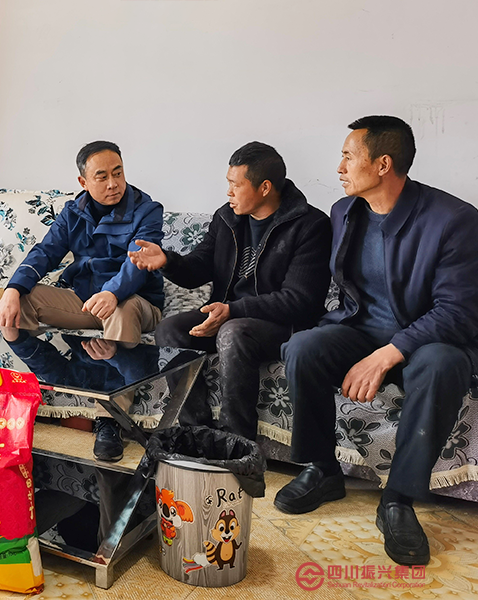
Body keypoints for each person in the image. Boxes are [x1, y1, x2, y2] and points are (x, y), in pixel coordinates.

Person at [274, 116, 478, 566]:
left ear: (383, 164)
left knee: (441, 365)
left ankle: (398, 499)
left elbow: (459, 312)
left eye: (348, 157)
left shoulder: (455, 219)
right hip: (361, 329)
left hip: (430, 339)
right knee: (303, 348)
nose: (339, 167)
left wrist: (388, 354)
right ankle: (322, 470)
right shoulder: (344, 211)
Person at [129, 142, 332, 437]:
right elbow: (198, 268)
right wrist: (167, 261)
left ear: (264, 187)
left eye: (236, 185)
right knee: (170, 330)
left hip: (283, 326)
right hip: (228, 315)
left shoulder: (311, 226)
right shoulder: (227, 217)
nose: (229, 192)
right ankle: (197, 433)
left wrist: (233, 310)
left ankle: (236, 440)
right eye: (228, 183)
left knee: (232, 332)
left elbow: (300, 300)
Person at [0, 141, 165, 461]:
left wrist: (113, 292)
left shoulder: (147, 210)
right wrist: (13, 289)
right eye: (102, 176)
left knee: (122, 309)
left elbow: (138, 263)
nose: (113, 183)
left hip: (136, 302)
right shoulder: (73, 212)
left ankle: (109, 420)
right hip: (86, 302)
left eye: (118, 173)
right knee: (23, 301)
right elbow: (45, 252)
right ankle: (53, 383)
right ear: (83, 182)